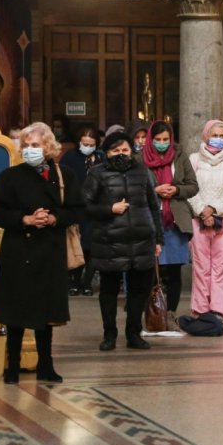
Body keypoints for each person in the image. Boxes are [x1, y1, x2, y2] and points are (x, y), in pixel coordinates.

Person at [0, 122, 81, 383]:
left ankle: (46, 365)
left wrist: (53, 218)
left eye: (36, 145)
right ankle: (13, 366)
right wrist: (26, 219)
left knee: (46, 312)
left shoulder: (65, 176)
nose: (30, 149)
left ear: (48, 147)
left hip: (49, 250)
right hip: (18, 249)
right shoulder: (9, 176)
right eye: (26, 145)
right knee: (15, 310)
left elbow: (76, 209)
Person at [82, 131, 163, 351]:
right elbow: (85, 206)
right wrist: (109, 209)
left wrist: (158, 238)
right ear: (106, 152)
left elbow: (154, 206)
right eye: (115, 150)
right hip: (109, 241)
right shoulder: (97, 173)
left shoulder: (142, 171)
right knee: (108, 291)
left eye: (125, 150)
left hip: (141, 240)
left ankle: (133, 333)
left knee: (140, 290)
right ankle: (109, 334)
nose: (121, 154)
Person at [187, 120, 223, 320]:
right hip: (198, 218)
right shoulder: (193, 159)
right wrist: (203, 211)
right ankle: (200, 309)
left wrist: (214, 209)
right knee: (201, 265)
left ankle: (219, 309)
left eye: (221, 135)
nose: (218, 139)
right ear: (205, 135)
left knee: (220, 266)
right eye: (214, 135)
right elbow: (189, 188)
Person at [144, 121, 199, 319]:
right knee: (150, 270)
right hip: (150, 219)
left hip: (175, 221)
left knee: (174, 270)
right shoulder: (140, 158)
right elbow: (133, 187)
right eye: (157, 140)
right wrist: (154, 190)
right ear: (151, 139)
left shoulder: (180, 156)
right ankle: (151, 315)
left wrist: (175, 189)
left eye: (165, 139)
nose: (162, 143)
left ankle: (171, 314)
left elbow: (193, 186)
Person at [60, 125, 103, 296]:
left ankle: (87, 283)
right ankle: (74, 282)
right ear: (79, 143)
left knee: (92, 247)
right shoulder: (69, 157)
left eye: (91, 144)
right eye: (84, 143)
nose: (87, 147)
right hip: (76, 208)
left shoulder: (100, 159)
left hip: (95, 209)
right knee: (76, 245)